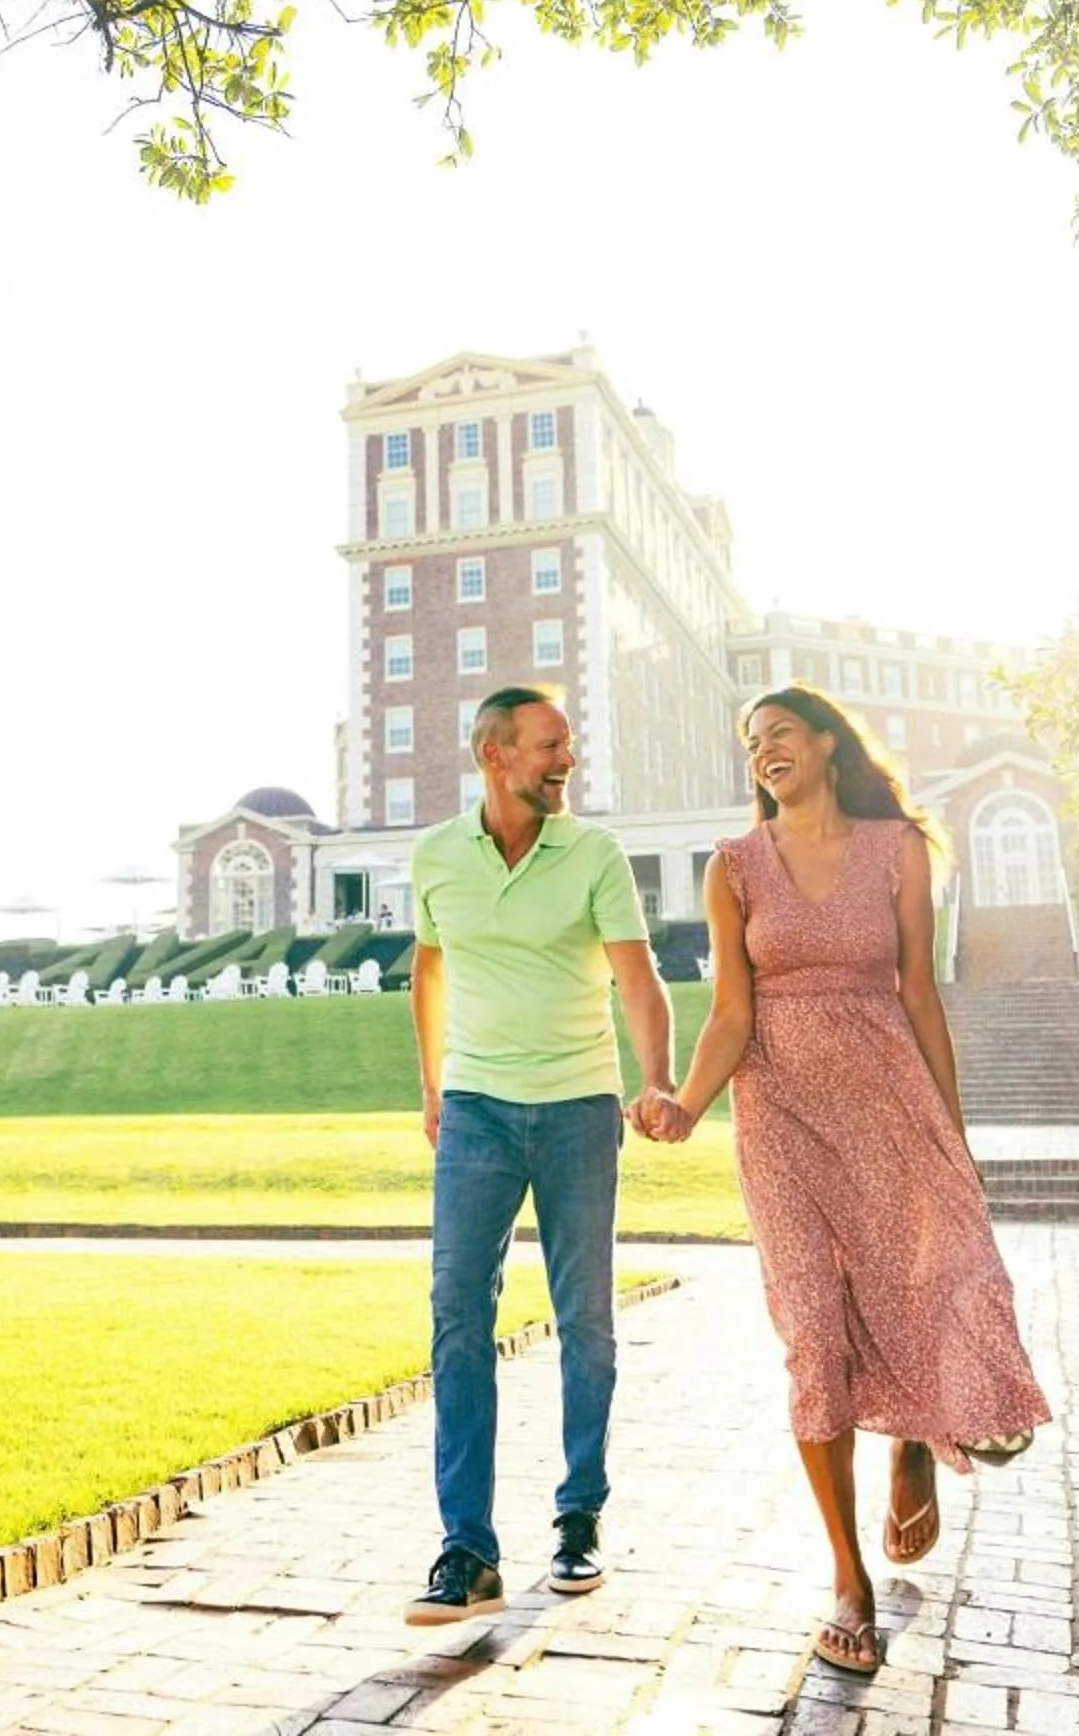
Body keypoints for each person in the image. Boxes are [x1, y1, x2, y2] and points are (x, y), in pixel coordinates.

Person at [640, 684, 1051, 1675]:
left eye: (779, 731)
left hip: (890, 1102)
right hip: (779, 1117)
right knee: (813, 1333)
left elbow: (920, 992)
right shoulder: (734, 866)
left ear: (828, 743)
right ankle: (847, 1581)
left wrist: (952, 1134)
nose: (763, 750)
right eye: (752, 741)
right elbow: (731, 1011)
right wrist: (687, 1103)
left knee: (937, 1282)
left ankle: (917, 1439)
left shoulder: (898, 848)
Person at [404, 684, 679, 1625]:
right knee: (456, 1315)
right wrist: (434, 1086)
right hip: (476, 1110)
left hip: (577, 1110)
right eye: (550, 745)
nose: (567, 760)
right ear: (495, 754)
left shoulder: (594, 853)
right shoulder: (436, 855)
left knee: (585, 1319)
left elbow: (638, 978)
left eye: (567, 746)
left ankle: (578, 1518)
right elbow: (429, 967)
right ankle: (467, 1550)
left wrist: (657, 1078)